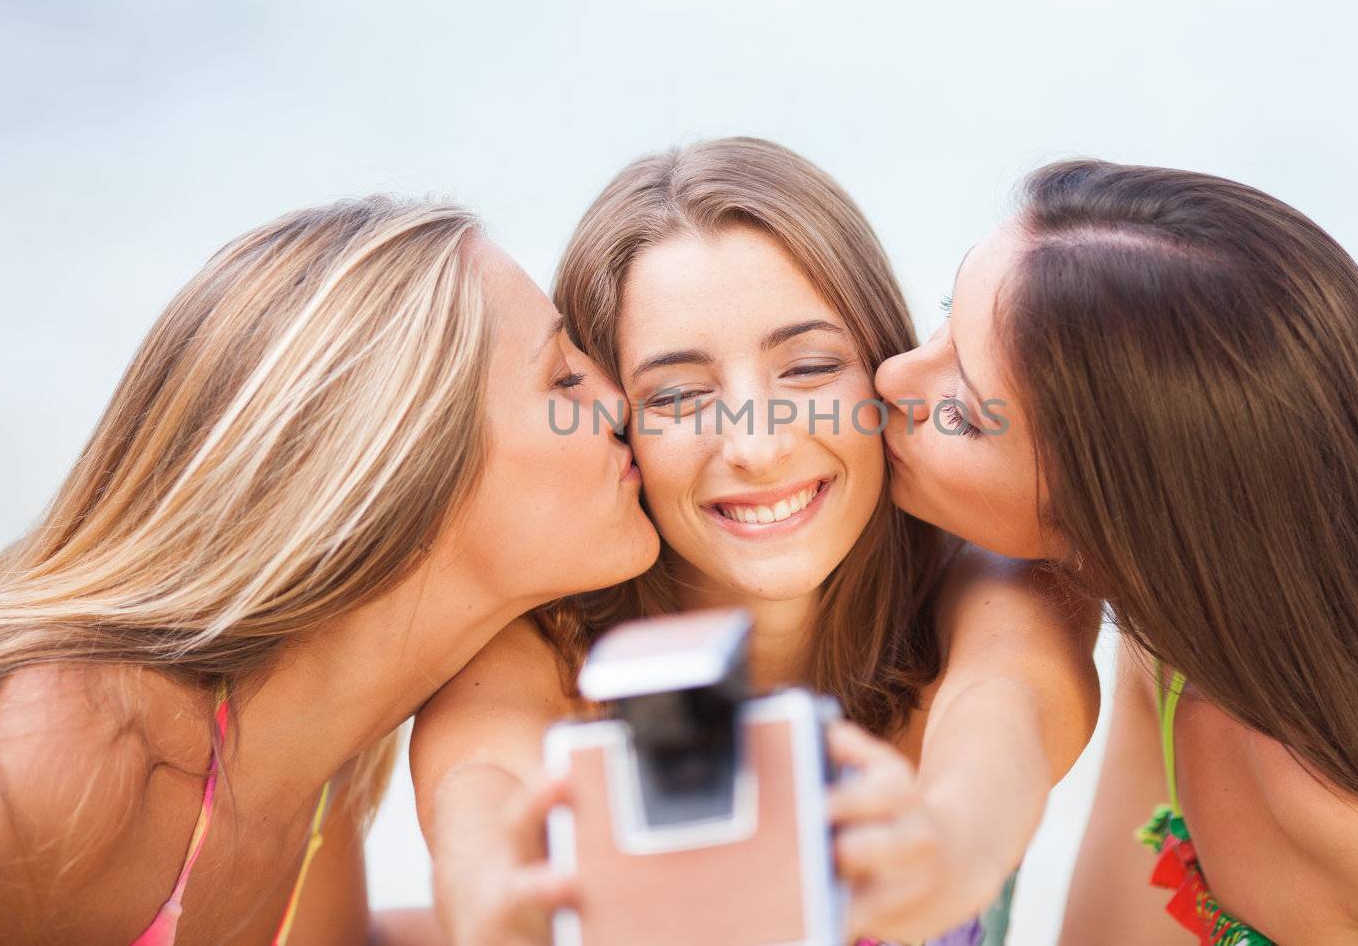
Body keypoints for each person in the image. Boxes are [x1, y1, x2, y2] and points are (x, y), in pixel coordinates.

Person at [412, 138, 1101, 946]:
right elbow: (479, 784)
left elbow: (1011, 702)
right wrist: (493, 890)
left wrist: (953, 843)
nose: (757, 445)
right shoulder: (547, 649)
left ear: (881, 366)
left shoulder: (984, 583)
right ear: (612, 419)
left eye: (809, 368)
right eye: (676, 393)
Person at [874, 159, 1358, 944]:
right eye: (944, 316)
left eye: (964, 415)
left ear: (1120, 517)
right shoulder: (1178, 654)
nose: (892, 377)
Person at [0, 196, 659, 944]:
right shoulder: (51, 749)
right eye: (562, 380)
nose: (619, 398)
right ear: (407, 474)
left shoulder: (315, 783)